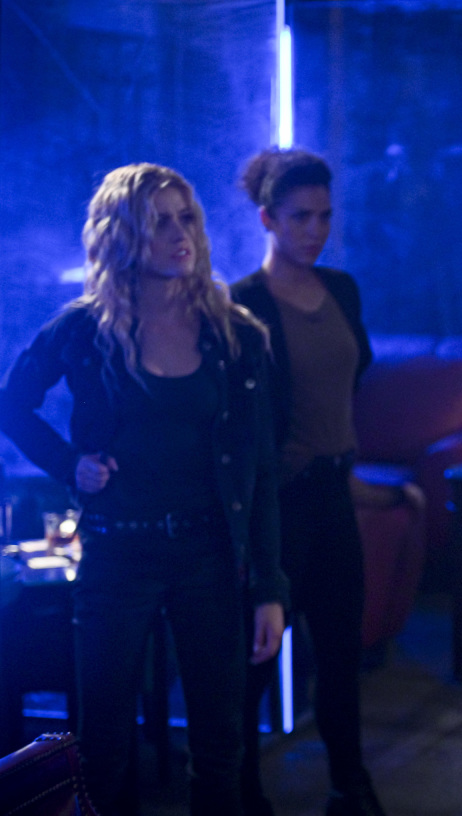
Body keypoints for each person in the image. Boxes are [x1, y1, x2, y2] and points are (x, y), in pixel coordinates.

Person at [0, 163, 287, 814]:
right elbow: (13, 405)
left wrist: (270, 588)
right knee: (102, 746)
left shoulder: (233, 333)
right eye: (158, 222)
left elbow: (261, 470)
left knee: (220, 745)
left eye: (186, 218)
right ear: (121, 234)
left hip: (209, 554)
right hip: (117, 555)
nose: (179, 234)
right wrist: (69, 463)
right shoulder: (83, 328)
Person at [231, 147, 387, 816]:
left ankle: (350, 786)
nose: (315, 230)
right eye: (300, 217)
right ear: (268, 218)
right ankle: (241, 792)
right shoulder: (243, 304)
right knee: (256, 663)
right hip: (277, 504)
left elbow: (351, 379)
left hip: (333, 495)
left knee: (341, 655)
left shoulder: (341, 288)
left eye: (324, 216)